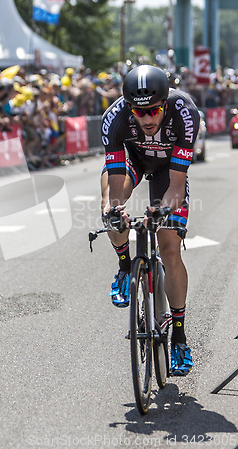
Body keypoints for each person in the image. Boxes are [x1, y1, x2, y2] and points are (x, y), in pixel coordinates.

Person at [101, 64, 200, 376]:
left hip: (168, 168)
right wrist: (114, 209)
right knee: (112, 212)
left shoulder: (185, 114)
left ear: (165, 103)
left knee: (170, 247)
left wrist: (163, 212)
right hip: (134, 159)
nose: (147, 118)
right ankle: (123, 267)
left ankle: (180, 339)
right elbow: (116, 185)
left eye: (154, 110)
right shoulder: (114, 120)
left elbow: (175, 186)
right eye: (138, 112)